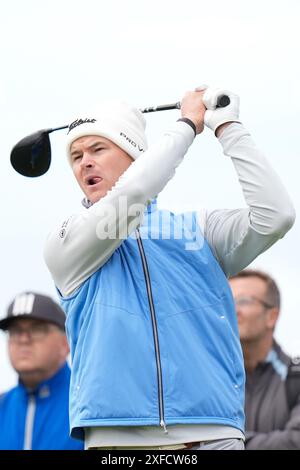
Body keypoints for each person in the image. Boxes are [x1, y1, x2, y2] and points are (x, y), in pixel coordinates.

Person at [44, 86, 295, 450]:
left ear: (136, 156)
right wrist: (186, 126)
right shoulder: (68, 241)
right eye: (76, 156)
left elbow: (276, 216)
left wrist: (229, 128)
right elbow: (131, 197)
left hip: (213, 434)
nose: (85, 162)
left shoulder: (198, 232)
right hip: (118, 442)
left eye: (98, 149)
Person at [0, 291, 83, 450]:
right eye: (16, 331)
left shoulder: (89, 404)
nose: (24, 339)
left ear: (65, 343)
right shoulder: (2, 406)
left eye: (37, 329)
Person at [229, 269, 300, 450]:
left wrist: (227, 443)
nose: (233, 310)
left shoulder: (295, 379)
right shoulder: (206, 379)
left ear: (272, 317)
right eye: (227, 301)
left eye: (243, 301)